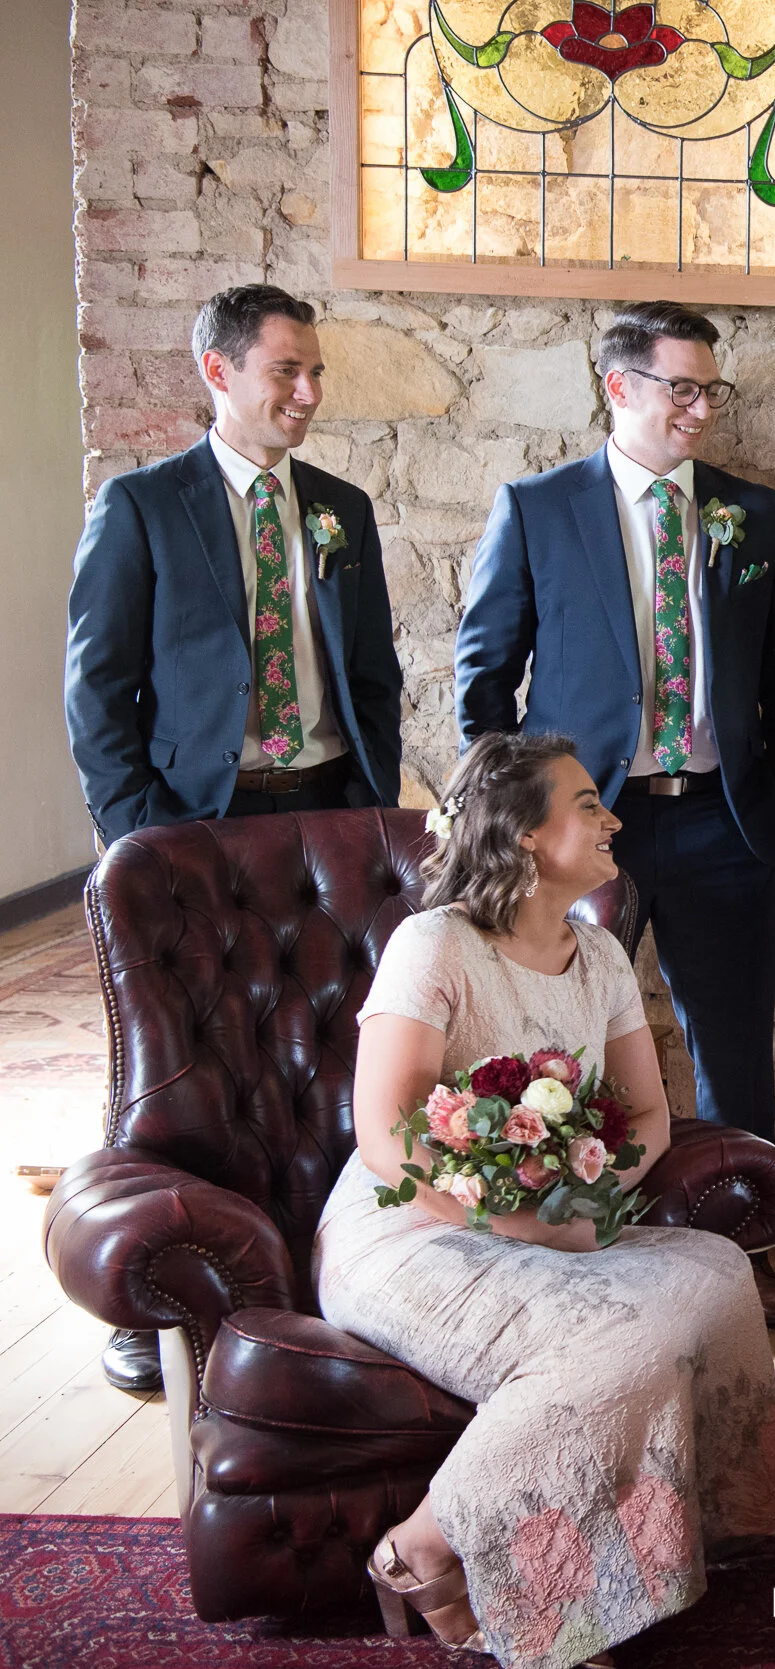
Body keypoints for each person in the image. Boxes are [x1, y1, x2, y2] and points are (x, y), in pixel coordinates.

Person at [316, 733, 775, 1669]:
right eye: (588, 804)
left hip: (550, 1220)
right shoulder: (436, 945)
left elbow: (648, 1115)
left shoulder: (601, 956)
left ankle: (683, 1544)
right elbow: (386, 1135)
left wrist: (591, 1193)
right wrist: (511, 1216)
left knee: (713, 1271)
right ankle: (436, 1552)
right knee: (622, 1340)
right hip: (412, 1232)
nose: (613, 816)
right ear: (527, 836)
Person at [65, 282, 404, 1395]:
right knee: (178, 1058)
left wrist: (371, 811)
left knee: (329, 1047)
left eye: (316, 374)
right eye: (285, 372)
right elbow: (98, 687)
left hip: (322, 818)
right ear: (218, 372)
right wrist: (141, 839)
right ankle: (154, 1295)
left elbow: (370, 678)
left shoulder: (341, 509)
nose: (308, 392)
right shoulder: (143, 505)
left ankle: (330, 1267)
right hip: (193, 823)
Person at [454, 301, 775, 1158]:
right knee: (552, 1030)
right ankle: (558, 1209)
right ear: (618, 385)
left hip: (722, 821)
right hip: (578, 824)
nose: (700, 409)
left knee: (732, 1047)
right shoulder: (536, 508)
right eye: (681, 389)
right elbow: (485, 677)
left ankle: (740, 1228)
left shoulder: (754, 515)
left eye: (710, 391)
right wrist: (516, 812)